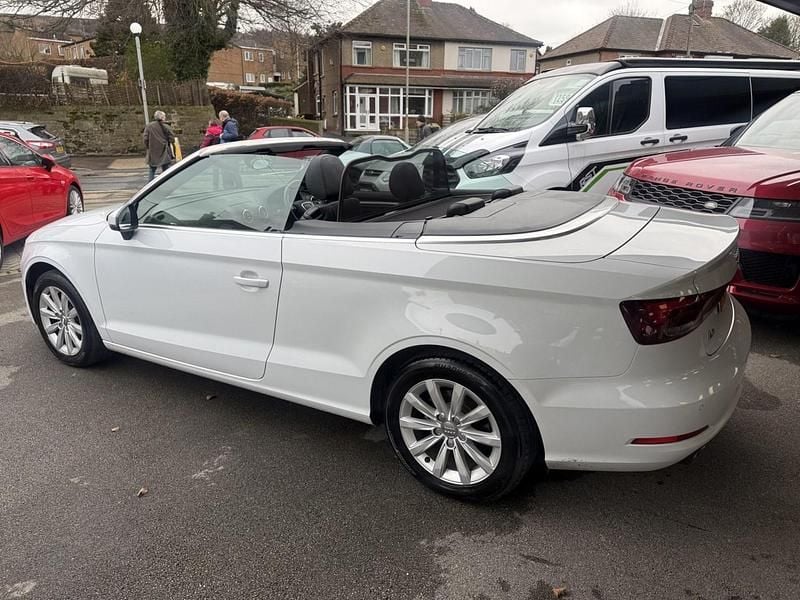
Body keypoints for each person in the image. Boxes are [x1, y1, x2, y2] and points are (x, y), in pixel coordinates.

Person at [143, 110, 175, 182]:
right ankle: (165, 183)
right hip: (164, 150)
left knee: (152, 169)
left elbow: (145, 139)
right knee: (166, 170)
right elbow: (172, 139)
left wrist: (148, 147)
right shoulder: (166, 127)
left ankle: (149, 185)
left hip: (153, 150)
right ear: (163, 117)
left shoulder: (149, 126)